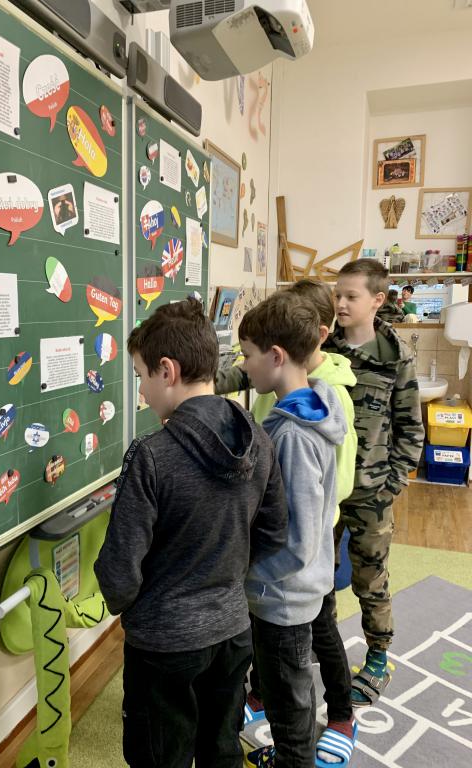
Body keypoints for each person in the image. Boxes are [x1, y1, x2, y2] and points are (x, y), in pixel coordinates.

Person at [94, 298, 288, 768]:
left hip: (164, 645)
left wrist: (144, 605)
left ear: (167, 371)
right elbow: (274, 532)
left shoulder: (151, 455)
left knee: (160, 756)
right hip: (233, 631)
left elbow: (118, 574)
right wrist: (226, 575)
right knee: (221, 749)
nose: (142, 392)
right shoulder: (259, 440)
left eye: (141, 376)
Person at [217, 279, 359, 767]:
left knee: (288, 707)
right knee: (291, 693)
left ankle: (294, 758)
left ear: (276, 356)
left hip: (283, 596)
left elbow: (296, 540)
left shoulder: (293, 437)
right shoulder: (309, 407)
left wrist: (248, 573)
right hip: (292, 590)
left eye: (248, 356)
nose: (244, 366)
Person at [327, 259, 424, 706]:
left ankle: (379, 657)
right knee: (318, 574)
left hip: (372, 492)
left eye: (351, 296)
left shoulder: (395, 355)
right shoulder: (324, 344)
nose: (341, 303)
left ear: (377, 300)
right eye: (337, 294)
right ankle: (322, 641)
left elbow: (411, 429)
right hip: (326, 488)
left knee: (370, 578)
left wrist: (392, 484)